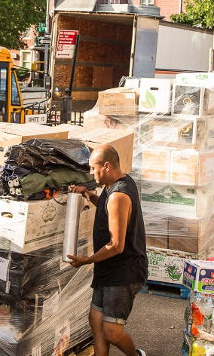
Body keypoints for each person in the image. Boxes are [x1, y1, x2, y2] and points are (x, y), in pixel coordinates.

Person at [68, 144, 148, 356]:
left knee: (112, 331)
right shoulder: (115, 184)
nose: (92, 173)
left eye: (94, 168)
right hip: (108, 269)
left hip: (124, 272)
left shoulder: (118, 196)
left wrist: (86, 260)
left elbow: (116, 245)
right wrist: (89, 195)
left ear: (106, 166)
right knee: (95, 322)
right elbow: (106, 209)